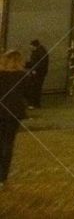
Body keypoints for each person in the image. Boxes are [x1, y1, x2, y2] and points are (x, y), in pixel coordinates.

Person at [0, 50, 28, 188]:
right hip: (14, 113)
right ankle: (2, 177)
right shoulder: (23, 75)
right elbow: (28, 93)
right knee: (8, 143)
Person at [26, 40, 48, 109]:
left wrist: (33, 69)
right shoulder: (40, 51)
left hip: (38, 73)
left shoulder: (39, 52)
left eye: (31, 46)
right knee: (36, 88)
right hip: (38, 72)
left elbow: (38, 63)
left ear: (34, 45)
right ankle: (35, 103)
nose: (30, 47)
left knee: (34, 88)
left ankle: (34, 104)